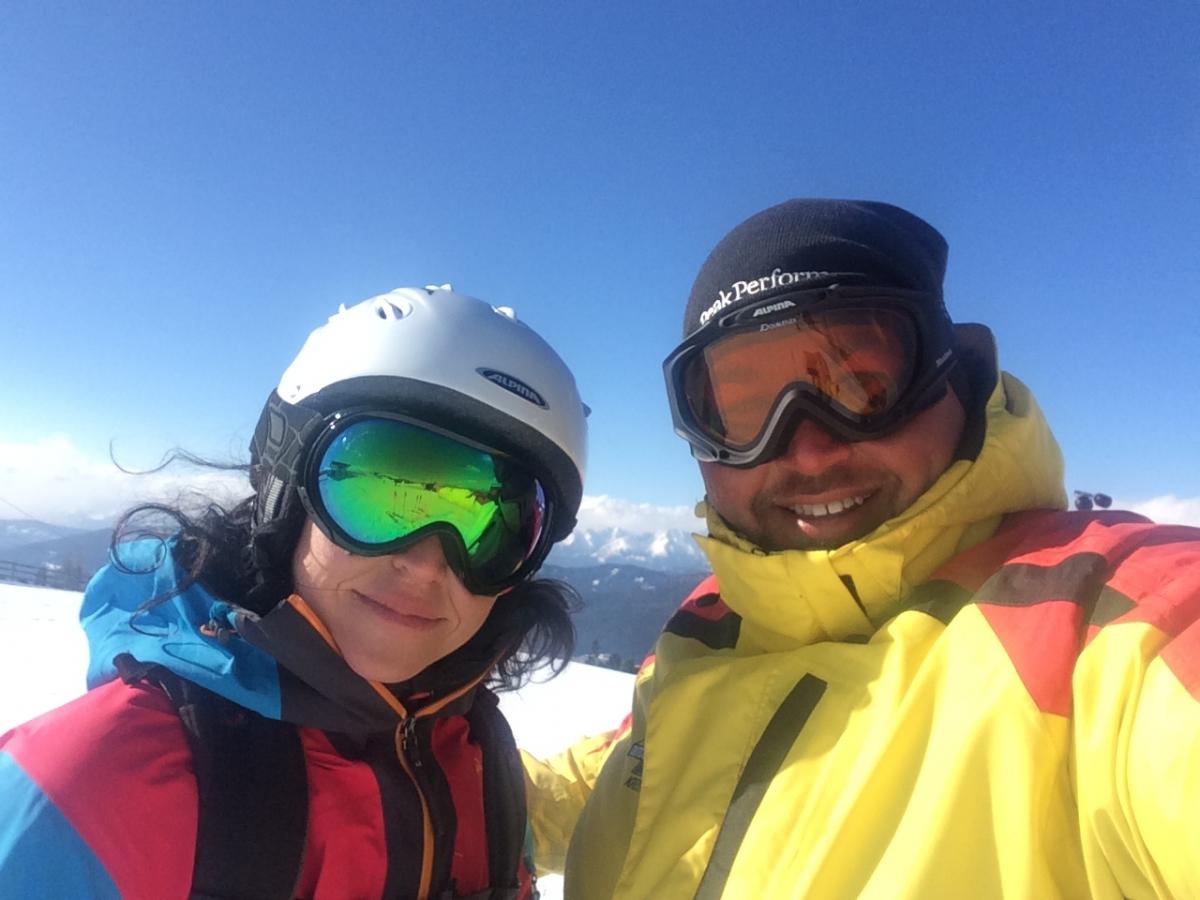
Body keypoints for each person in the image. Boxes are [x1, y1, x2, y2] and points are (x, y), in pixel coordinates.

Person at [523, 200, 1200, 898]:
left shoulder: (1108, 628)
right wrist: (467, 788)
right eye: (745, 409)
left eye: (859, 386)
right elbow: (629, 773)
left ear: (951, 377)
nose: (809, 450)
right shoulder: (716, 621)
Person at [0, 286, 588, 899]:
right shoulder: (89, 787)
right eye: (381, 493)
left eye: (493, 526)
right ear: (286, 490)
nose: (426, 566)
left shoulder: (478, 759)